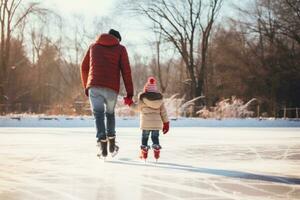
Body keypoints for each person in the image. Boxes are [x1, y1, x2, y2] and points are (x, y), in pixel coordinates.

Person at [81, 29, 134, 157]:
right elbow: (126, 71)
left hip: (94, 87)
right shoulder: (120, 49)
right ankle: (111, 141)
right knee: (110, 114)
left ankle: (102, 142)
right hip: (111, 89)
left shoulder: (93, 46)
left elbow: (84, 67)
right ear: (117, 39)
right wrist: (129, 93)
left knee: (98, 115)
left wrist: (86, 86)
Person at [124, 77, 169, 160]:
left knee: (145, 138)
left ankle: (144, 153)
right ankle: (156, 150)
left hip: (146, 124)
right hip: (156, 124)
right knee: (155, 138)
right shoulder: (160, 100)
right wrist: (166, 123)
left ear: (146, 90)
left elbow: (136, 108)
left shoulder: (143, 99)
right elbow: (164, 113)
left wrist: (129, 103)